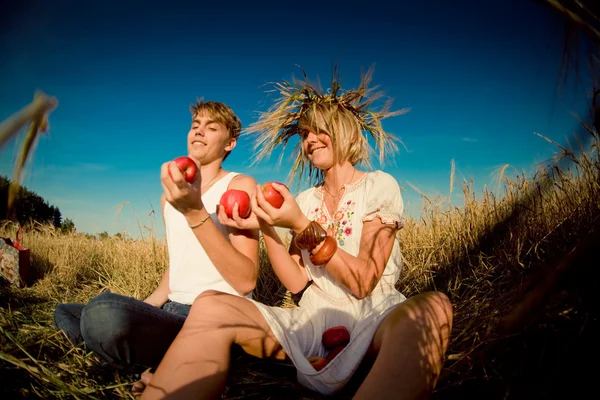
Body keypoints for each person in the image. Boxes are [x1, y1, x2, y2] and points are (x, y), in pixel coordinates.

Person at [139, 68, 453, 400]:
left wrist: (302, 224)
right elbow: (296, 282)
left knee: (433, 307)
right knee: (211, 303)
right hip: (311, 322)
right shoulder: (305, 200)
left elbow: (363, 282)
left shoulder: (379, 186)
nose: (310, 140)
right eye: (305, 133)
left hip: (374, 318)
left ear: (345, 131)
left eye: (321, 130)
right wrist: (266, 225)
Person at [52, 100, 260, 374]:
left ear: (229, 143)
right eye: (195, 126)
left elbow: (246, 280)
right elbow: (178, 266)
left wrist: (195, 211)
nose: (198, 132)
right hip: (172, 311)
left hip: (214, 317)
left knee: (102, 313)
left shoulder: (238, 186)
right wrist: (143, 306)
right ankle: (143, 358)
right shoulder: (169, 198)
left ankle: (132, 360)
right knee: (67, 311)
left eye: (211, 128)